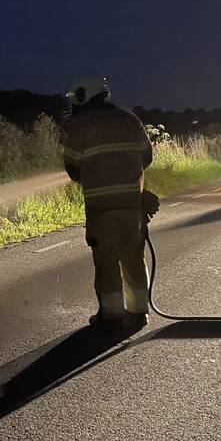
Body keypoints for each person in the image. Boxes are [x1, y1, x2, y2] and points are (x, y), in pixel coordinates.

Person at [62, 75, 152, 329]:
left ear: (83, 96)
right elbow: (147, 156)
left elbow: (72, 167)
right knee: (134, 257)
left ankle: (111, 316)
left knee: (107, 260)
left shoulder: (80, 127)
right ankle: (139, 311)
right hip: (133, 207)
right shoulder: (130, 120)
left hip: (101, 209)